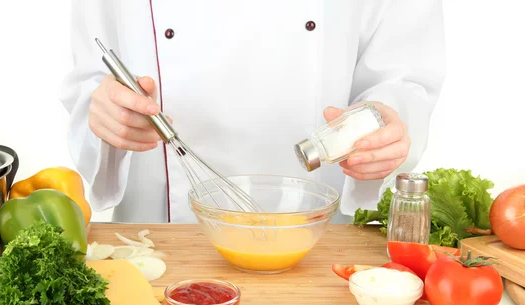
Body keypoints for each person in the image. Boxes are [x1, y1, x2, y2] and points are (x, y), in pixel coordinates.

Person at [60, 0, 445, 224]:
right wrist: (106, 112)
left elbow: (405, 75)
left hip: (321, 237)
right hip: (161, 233)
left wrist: (387, 119)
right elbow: (92, 76)